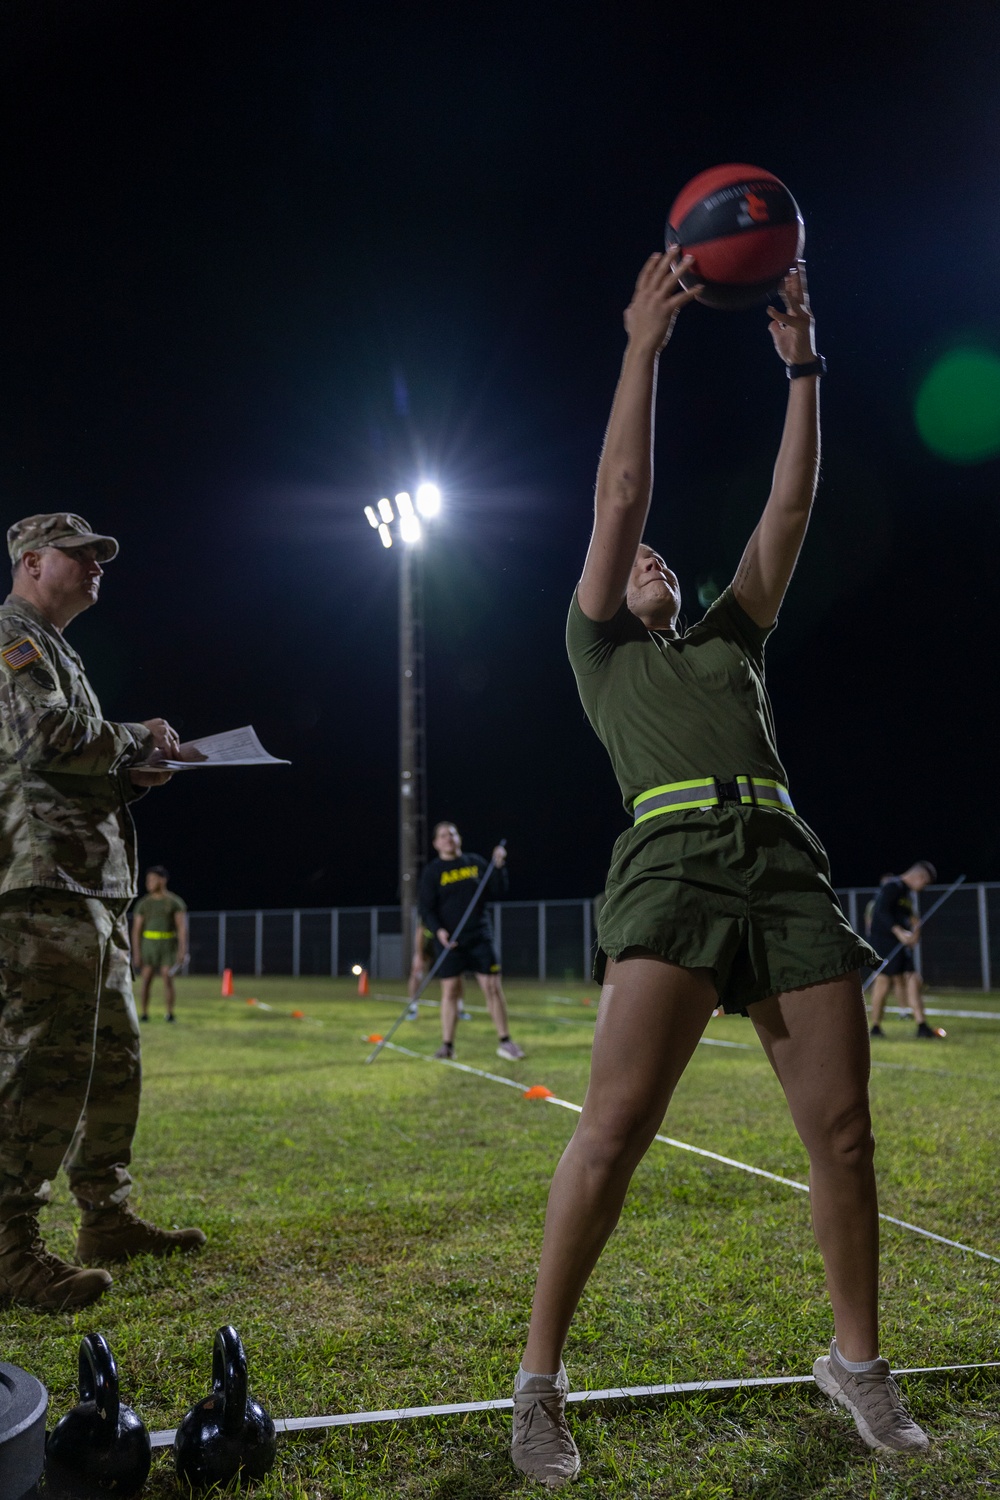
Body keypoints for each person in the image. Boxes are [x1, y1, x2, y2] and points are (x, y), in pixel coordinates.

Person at [510, 255, 929, 1488]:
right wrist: (643, 345)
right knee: (617, 1129)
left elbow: (789, 514)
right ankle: (538, 1381)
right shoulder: (598, 651)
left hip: (783, 861)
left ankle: (854, 1363)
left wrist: (803, 366)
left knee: (844, 1137)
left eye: (658, 562)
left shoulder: (729, 639)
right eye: (632, 563)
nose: (646, 562)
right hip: (673, 860)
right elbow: (621, 491)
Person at [0, 512, 206, 1312]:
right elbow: (43, 733)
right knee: (43, 1066)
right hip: (42, 885)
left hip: (87, 888)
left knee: (113, 1061)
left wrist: (131, 775)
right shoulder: (14, 636)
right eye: (80, 557)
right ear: (31, 559)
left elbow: (61, 764)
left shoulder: (56, 648)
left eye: (99, 559)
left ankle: (106, 1217)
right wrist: (135, 738)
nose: (96, 568)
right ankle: (11, 1246)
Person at [418, 822, 525, 1061]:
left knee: (492, 987)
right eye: (443, 835)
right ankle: (447, 1046)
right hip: (450, 942)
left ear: (459, 838)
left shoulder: (474, 862)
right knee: (450, 991)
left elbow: (498, 889)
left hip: (479, 937)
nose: (449, 838)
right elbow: (426, 909)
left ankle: (505, 1042)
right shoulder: (433, 872)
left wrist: (498, 866)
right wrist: (439, 932)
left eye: (453, 834)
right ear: (436, 843)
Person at [867, 862, 943, 1039]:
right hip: (884, 942)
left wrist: (914, 931)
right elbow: (881, 912)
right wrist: (899, 931)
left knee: (913, 979)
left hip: (900, 944)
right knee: (883, 982)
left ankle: (921, 1026)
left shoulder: (906, 893)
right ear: (920, 877)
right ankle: (875, 1027)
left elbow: (910, 916)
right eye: (925, 884)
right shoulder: (892, 886)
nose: (922, 888)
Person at [132, 865, 188, 1022]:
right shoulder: (143, 904)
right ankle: (143, 1013)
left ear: (163, 880)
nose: (149, 883)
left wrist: (182, 950)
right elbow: (136, 931)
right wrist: (136, 953)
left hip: (168, 945)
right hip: (149, 945)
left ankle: (169, 1014)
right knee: (146, 979)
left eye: (153, 879)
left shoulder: (174, 902)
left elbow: (182, 928)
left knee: (167, 978)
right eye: (148, 879)